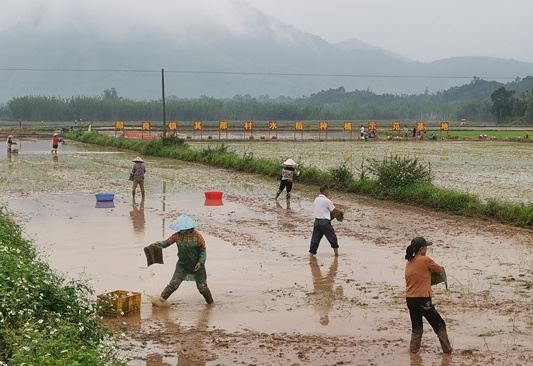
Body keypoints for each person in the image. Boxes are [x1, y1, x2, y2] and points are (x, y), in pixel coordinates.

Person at [150, 214, 214, 306]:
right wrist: (158, 244)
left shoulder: (197, 236)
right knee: (173, 285)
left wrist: (201, 262)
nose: (182, 231)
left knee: (202, 288)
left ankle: (211, 304)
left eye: (183, 229)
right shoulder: (177, 236)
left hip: (197, 266)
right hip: (182, 266)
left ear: (189, 228)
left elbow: (203, 250)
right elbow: (166, 243)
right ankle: (160, 301)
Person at [405, 236, 452, 354]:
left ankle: (413, 352)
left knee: (417, 328)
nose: (427, 249)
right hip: (423, 299)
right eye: (426, 247)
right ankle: (447, 351)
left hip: (410, 299)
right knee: (439, 324)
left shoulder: (409, 261)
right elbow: (440, 270)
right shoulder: (425, 260)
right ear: (421, 249)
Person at [309, 184, 344, 257]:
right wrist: (341, 211)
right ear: (326, 191)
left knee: (315, 239)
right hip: (324, 222)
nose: (329, 193)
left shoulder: (316, 199)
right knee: (332, 237)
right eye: (328, 191)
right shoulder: (327, 200)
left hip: (317, 222)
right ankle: (336, 255)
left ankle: (311, 254)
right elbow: (334, 210)